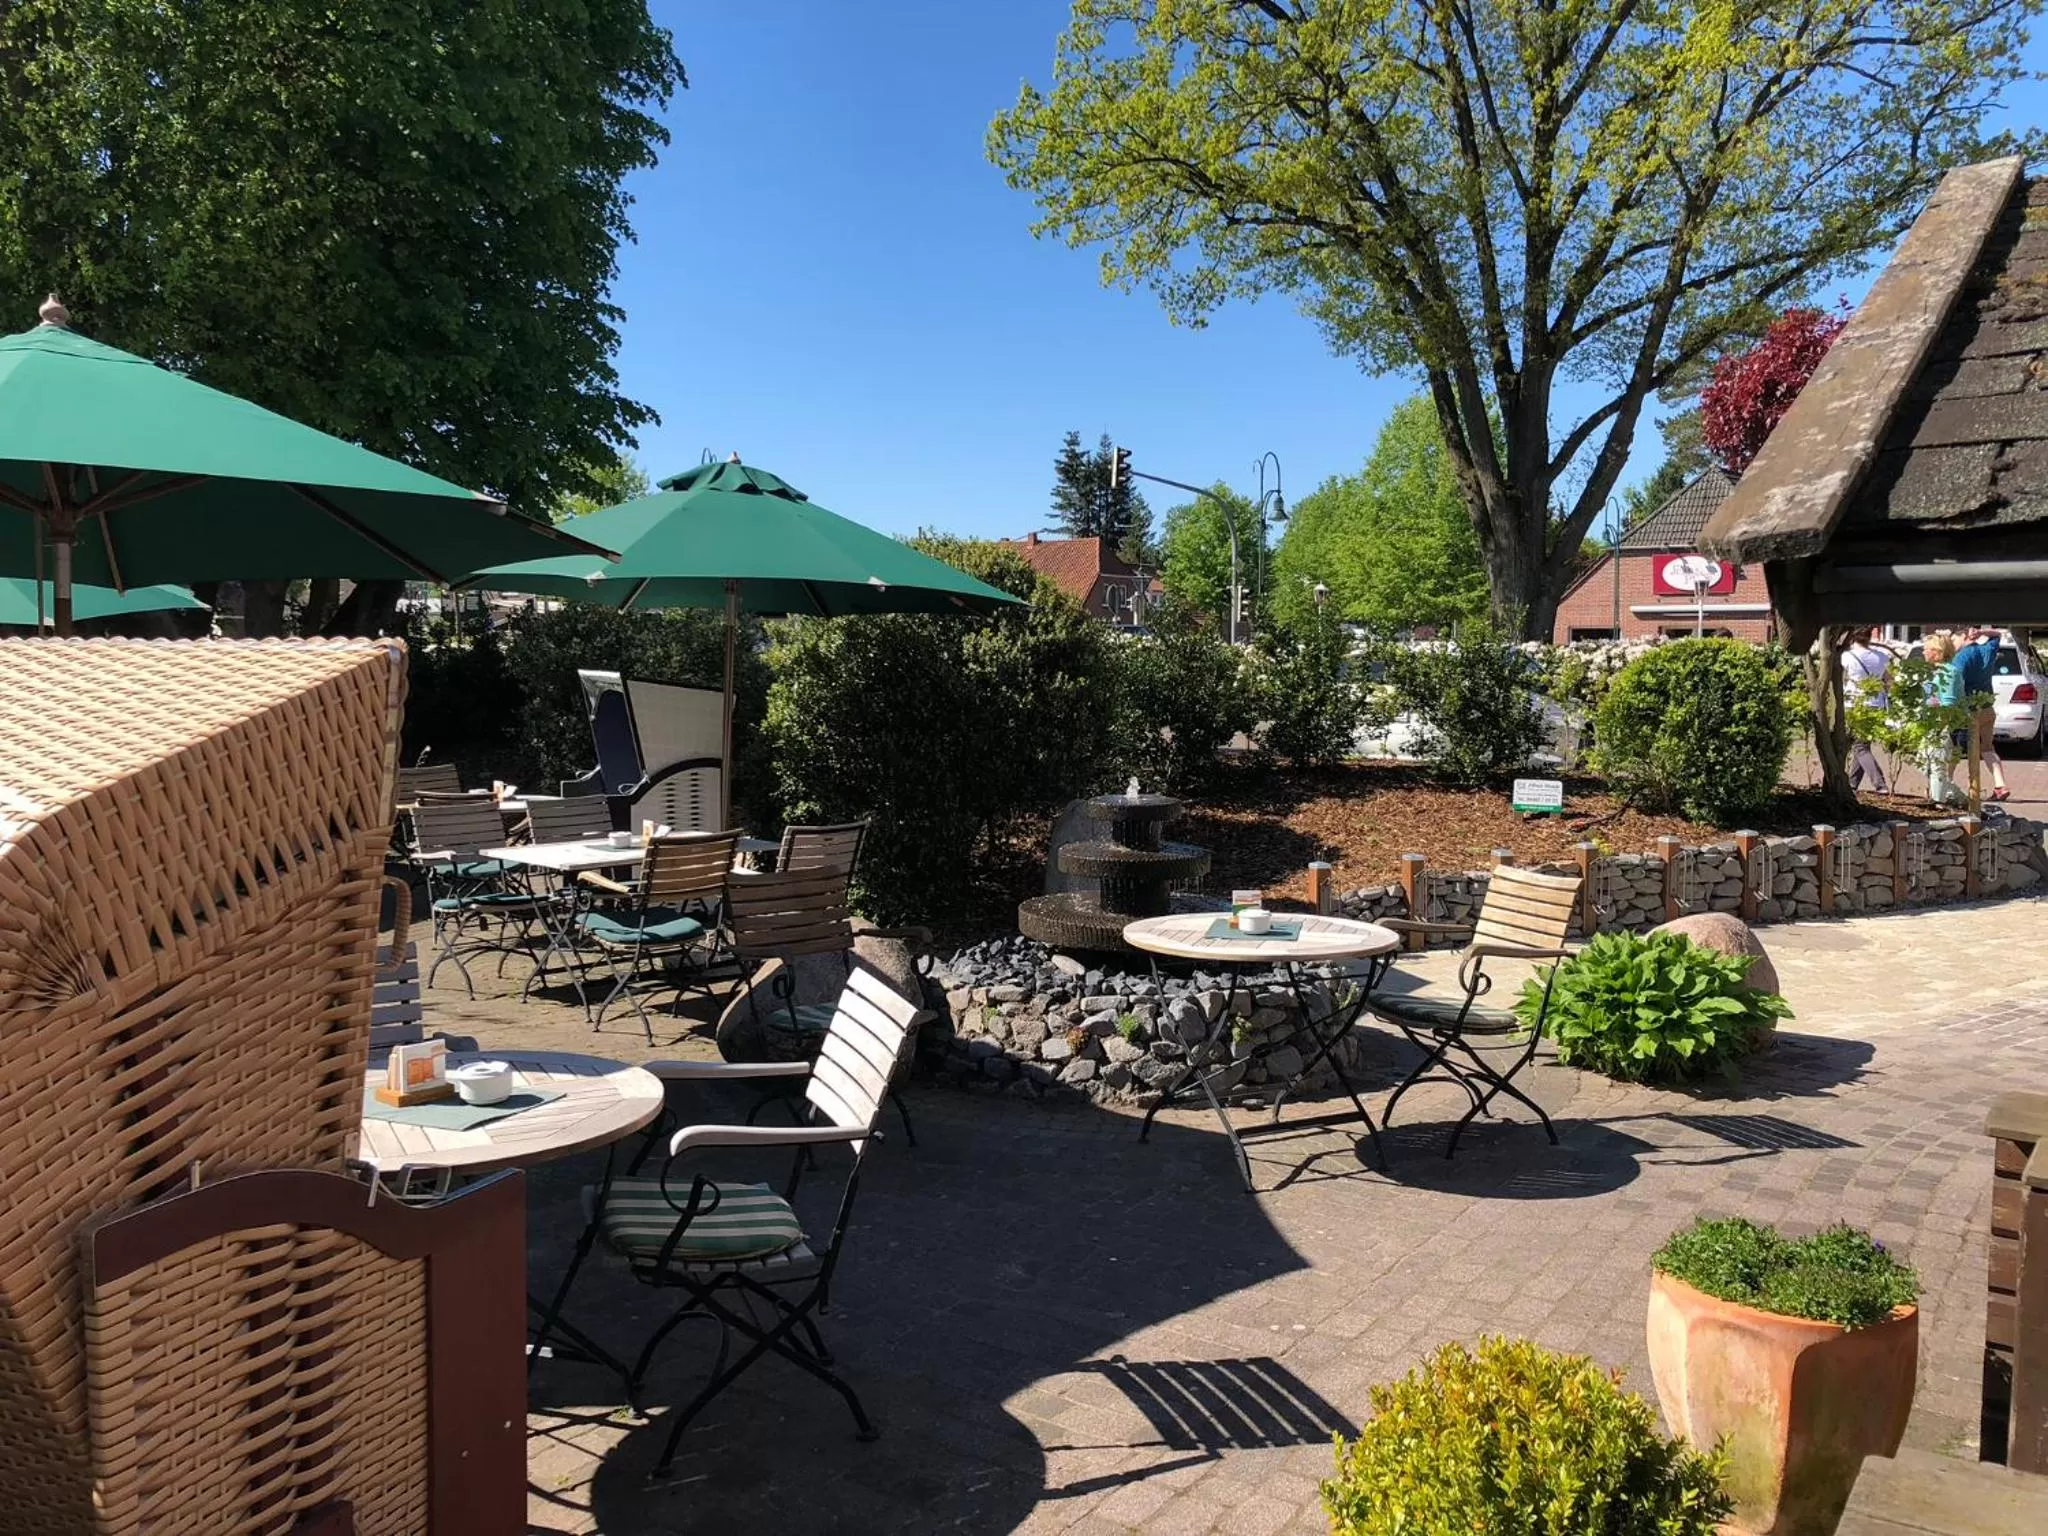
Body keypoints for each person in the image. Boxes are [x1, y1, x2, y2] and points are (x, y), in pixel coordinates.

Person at [1946, 626, 2009, 802]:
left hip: (1967, 710)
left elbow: (1954, 683)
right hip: (1987, 707)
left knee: (1954, 750)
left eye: (1954, 640)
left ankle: (1945, 783)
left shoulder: (1960, 659)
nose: (1952, 644)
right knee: (1988, 748)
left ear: (1963, 637)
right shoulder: (1987, 650)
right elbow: (1998, 634)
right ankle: (2000, 785)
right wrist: (1982, 633)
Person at [1841, 629, 1892, 795]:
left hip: (1855, 705)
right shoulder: (1882, 657)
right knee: (1862, 746)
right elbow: (1888, 680)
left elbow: (1841, 678)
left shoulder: (1847, 656)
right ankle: (1852, 784)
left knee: (1859, 747)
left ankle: (1880, 783)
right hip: (1876, 705)